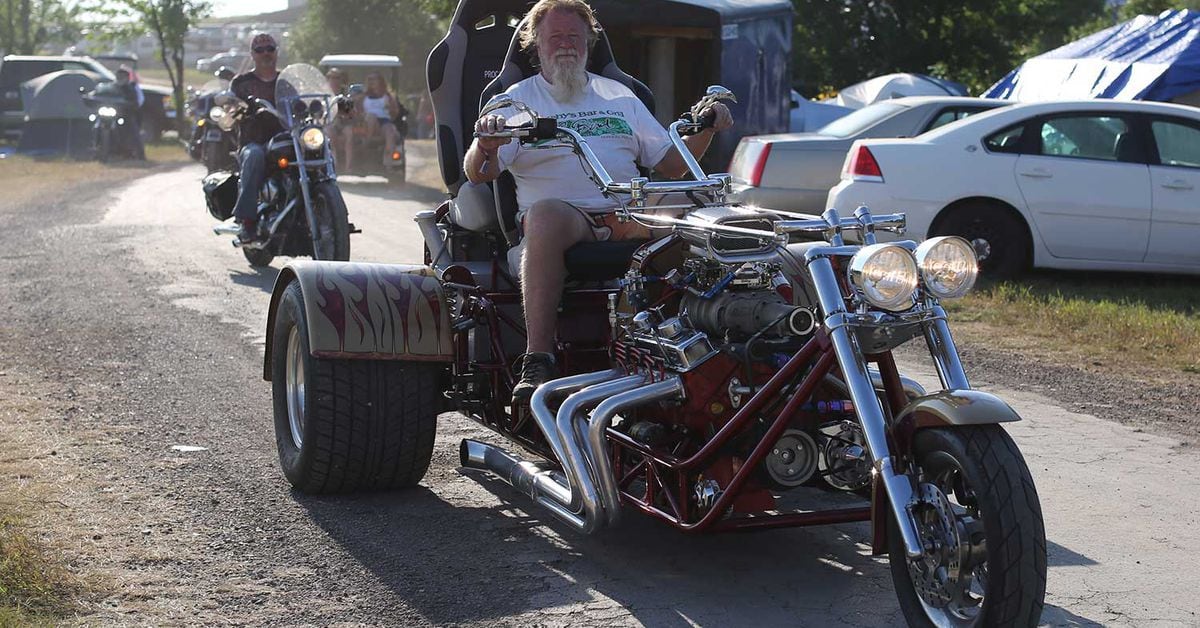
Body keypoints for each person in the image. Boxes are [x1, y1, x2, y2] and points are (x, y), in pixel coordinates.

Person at [463, 0, 733, 404]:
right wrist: (485, 144)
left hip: (631, 213)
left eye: (574, 36)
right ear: (535, 44)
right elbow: (478, 172)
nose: (566, 45)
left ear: (590, 41)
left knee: (710, 215)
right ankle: (538, 358)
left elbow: (676, 165)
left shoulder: (621, 95)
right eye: (556, 37)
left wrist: (708, 126)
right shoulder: (514, 100)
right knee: (545, 215)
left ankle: (717, 343)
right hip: (566, 220)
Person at [229, 32, 283, 244]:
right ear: (252, 54)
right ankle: (247, 222)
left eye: (270, 48)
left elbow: (303, 101)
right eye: (260, 50)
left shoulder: (286, 80)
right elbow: (230, 108)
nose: (265, 53)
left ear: (276, 52)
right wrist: (235, 107)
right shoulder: (242, 83)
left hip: (286, 139)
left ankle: (330, 212)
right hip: (255, 141)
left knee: (317, 147)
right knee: (254, 157)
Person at [344, 71, 401, 173]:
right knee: (371, 117)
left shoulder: (387, 96)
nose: (372, 82)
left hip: (383, 121)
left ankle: (389, 164)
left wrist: (390, 108)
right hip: (367, 121)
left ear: (380, 81)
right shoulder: (364, 96)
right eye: (370, 80)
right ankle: (366, 143)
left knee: (390, 133)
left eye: (374, 79)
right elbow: (352, 105)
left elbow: (394, 112)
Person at [113, 66, 146, 160]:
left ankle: (140, 155)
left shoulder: (131, 88)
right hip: (113, 114)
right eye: (119, 76)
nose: (120, 78)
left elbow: (138, 101)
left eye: (123, 76)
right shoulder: (112, 87)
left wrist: (131, 105)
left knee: (134, 132)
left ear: (127, 78)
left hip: (127, 114)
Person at [324, 67, 353, 169]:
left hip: (343, 122)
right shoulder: (323, 92)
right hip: (329, 122)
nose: (335, 80)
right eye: (332, 78)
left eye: (337, 78)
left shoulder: (345, 92)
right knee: (330, 135)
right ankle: (334, 164)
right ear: (328, 79)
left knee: (349, 134)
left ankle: (348, 166)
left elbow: (350, 111)